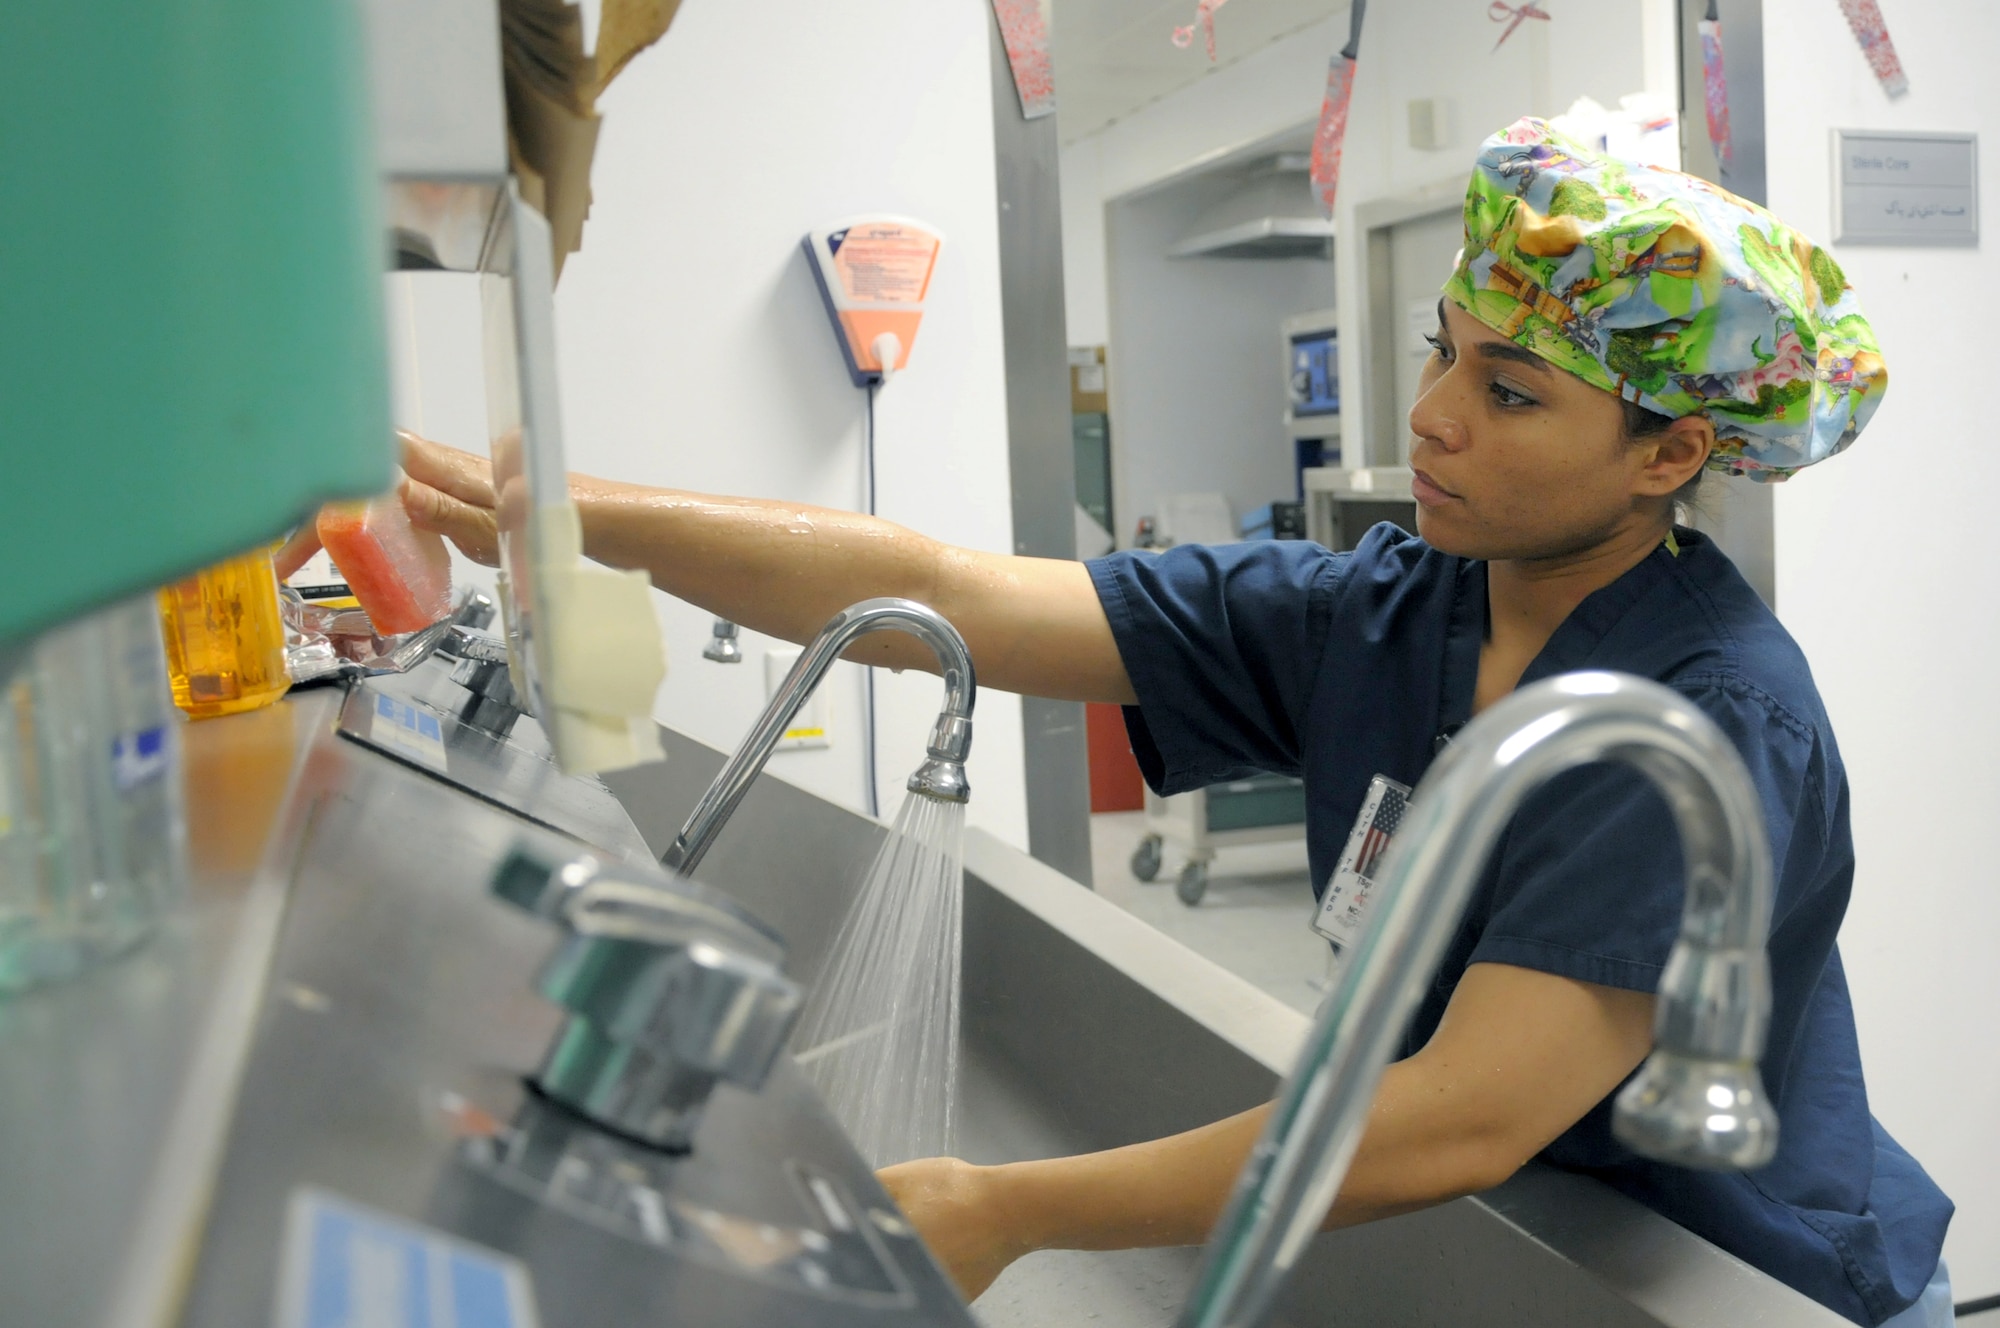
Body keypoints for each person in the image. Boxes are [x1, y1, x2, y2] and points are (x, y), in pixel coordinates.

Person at [291, 121, 1952, 1326]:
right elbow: (962, 594)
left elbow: (1464, 1111)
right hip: (1529, 1231)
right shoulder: (1385, 609)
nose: (1434, 418)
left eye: (1512, 394)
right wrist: (559, 509)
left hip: (1734, 1280)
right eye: (1446, 352)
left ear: (1672, 457)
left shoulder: (1699, 720)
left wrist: (1008, 1211)